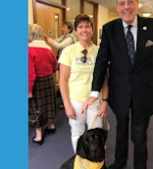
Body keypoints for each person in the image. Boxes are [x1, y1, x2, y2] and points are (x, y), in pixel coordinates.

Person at [86, 0, 153, 169]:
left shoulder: (152, 26)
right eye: (121, 3)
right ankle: (120, 163)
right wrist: (95, 90)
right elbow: (101, 62)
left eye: (130, 2)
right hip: (119, 91)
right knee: (121, 130)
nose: (126, 7)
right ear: (117, 6)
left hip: (144, 91)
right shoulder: (109, 29)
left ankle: (140, 165)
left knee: (140, 134)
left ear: (137, 3)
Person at [58, 14, 109, 153]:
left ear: (92, 29)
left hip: (95, 102)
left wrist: (105, 101)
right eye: (80, 27)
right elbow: (62, 80)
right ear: (76, 30)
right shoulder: (69, 51)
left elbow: (104, 78)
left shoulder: (99, 51)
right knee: (78, 135)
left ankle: (95, 163)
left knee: (96, 135)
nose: (84, 30)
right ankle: (81, 163)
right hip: (75, 101)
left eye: (87, 26)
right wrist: (67, 105)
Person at [28, 24, 58, 145]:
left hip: (37, 83)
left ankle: (39, 136)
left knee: (36, 108)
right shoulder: (48, 49)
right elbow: (55, 65)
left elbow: (30, 73)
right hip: (49, 80)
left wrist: (29, 90)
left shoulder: (29, 50)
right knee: (49, 104)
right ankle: (51, 125)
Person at [45, 22, 76, 109]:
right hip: (64, 62)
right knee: (64, 81)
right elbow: (55, 41)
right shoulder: (63, 37)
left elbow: (58, 46)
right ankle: (67, 102)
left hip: (69, 64)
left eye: (64, 27)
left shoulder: (70, 39)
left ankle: (70, 103)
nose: (62, 29)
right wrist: (46, 38)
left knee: (67, 82)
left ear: (69, 29)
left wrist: (48, 39)